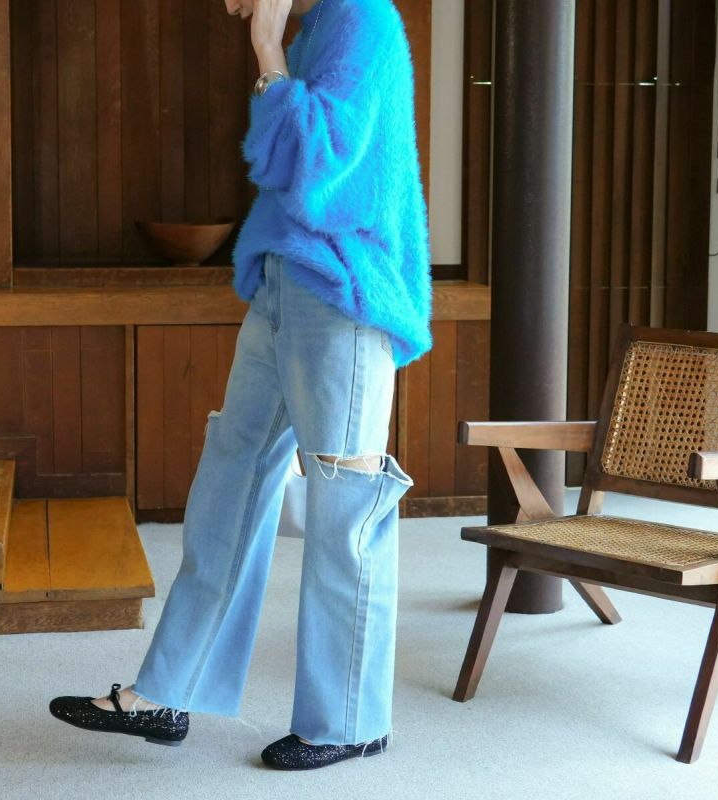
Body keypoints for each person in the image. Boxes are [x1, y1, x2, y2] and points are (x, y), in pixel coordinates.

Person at [49, 0, 432, 771]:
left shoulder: (364, 20)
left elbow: (320, 171)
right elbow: (274, 162)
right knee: (230, 480)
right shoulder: (315, 30)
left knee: (343, 504)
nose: (229, 5)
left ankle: (349, 721)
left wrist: (266, 49)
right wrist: (274, 56)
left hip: (344, 293)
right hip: (284, 284)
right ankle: (169, 692)